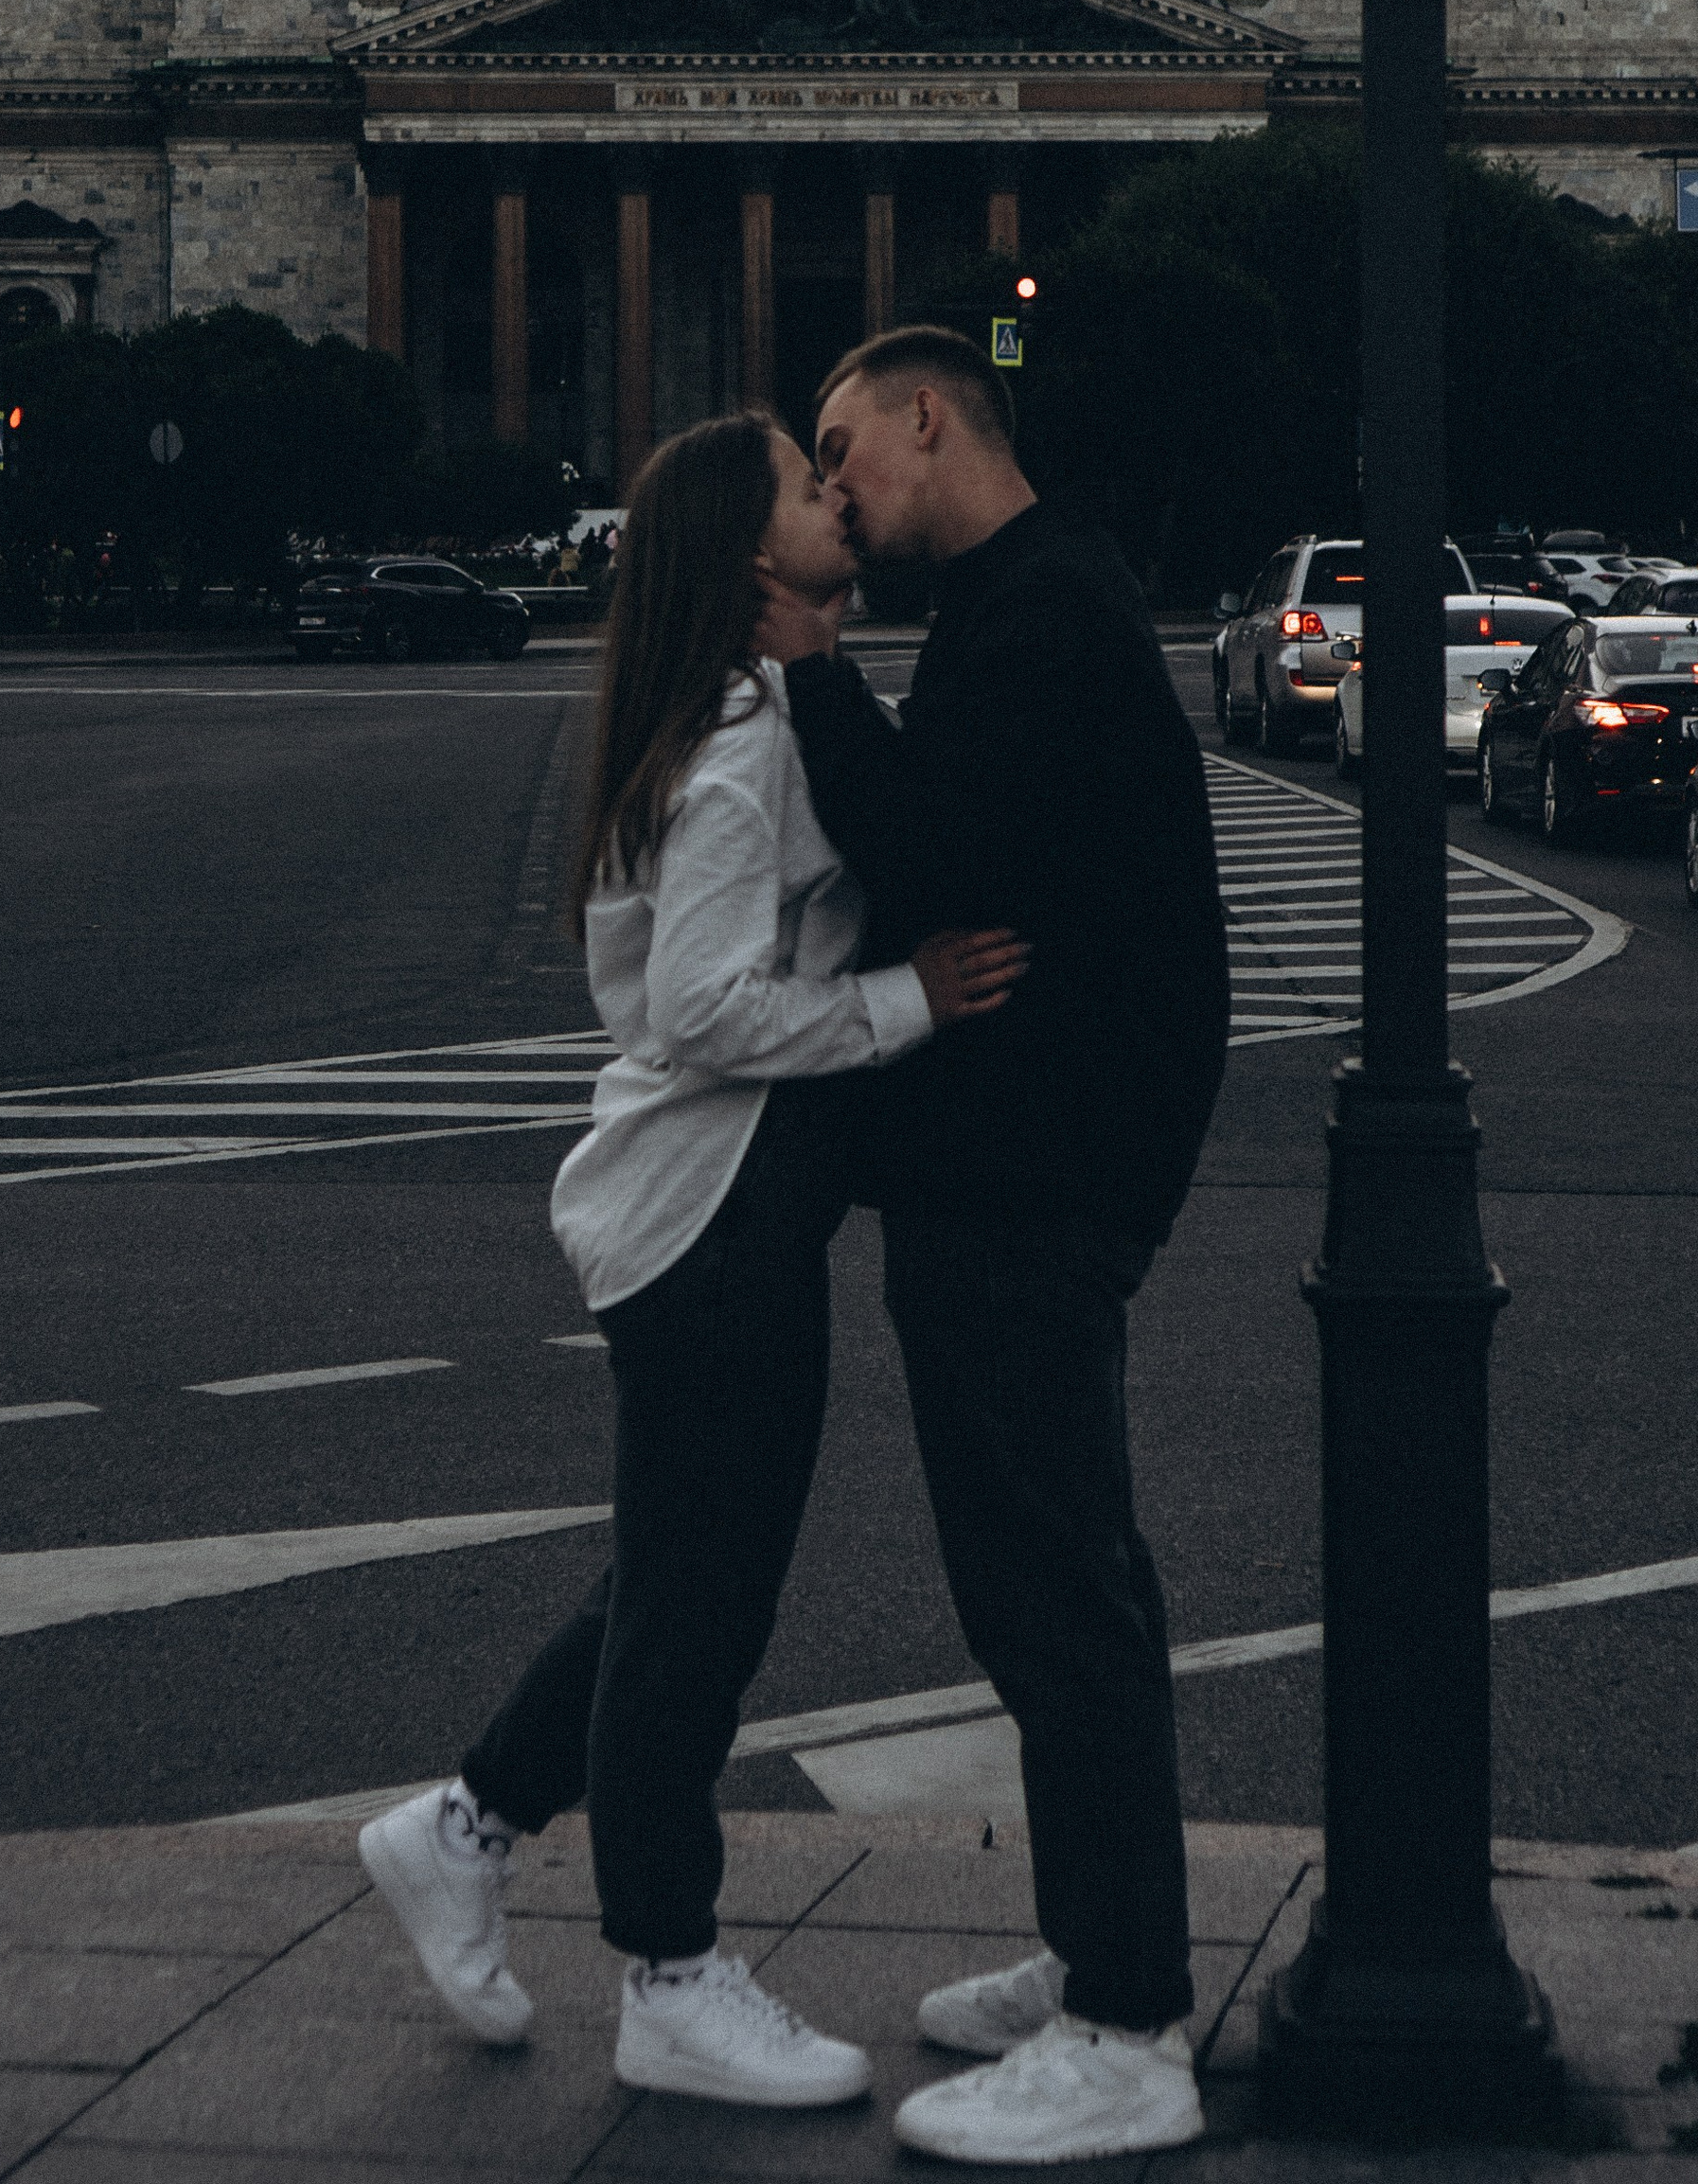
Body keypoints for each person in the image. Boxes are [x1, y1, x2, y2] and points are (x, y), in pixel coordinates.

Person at [358, 410, 1024, 2112]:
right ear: (749, 558)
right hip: (713, 1211)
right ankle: (666, 1973)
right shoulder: (742, 738)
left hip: (703, 1209)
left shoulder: (728, 711)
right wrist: (909, 1002)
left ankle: (463, 1830)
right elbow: (698, 1006)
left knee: (673, 1576)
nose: (841, 502)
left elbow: (646, 977)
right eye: (814, 490)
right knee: (698, 1616)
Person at [761, 323, 1230, 2168]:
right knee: (1041, 1599)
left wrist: (807, 673)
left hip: (1032, 1180)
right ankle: (1094, 1955)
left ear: (927, 420)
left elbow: (929, 850)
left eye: (840, 445)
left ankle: (1126, 2029)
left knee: (1058, 1600)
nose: (833, 487)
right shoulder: (1028, 596)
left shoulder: (1036, 619)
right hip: (1027, 1168)